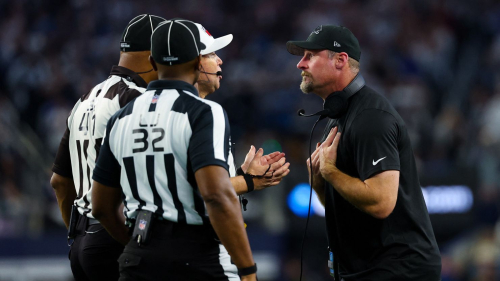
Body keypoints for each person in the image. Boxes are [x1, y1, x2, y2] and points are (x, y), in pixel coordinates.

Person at [91, 19, 264, 281]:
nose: (219, 61)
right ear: (197, 63)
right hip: (195, 259)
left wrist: (140, 245)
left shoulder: (121, 118)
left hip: (137, 259)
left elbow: (101, 206)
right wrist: (247, 270)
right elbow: (216, 195)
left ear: (152, 62)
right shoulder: (205, 112)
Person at [286, 25, 441, 280]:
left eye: (310, 56)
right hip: (368, 269)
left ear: (340, 60)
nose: (300, 64)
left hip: (398, 270)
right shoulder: (338, 118)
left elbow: (381, 202)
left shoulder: (371, 118)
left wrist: (331, 173)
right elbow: (345, 204)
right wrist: (321, 186)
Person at [50, 14, 166, 281]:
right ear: (152, 56)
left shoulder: (85, 99)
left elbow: (59, 182)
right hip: (117, 236)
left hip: (82, 242)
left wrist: (82, 235)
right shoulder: (138, 100)